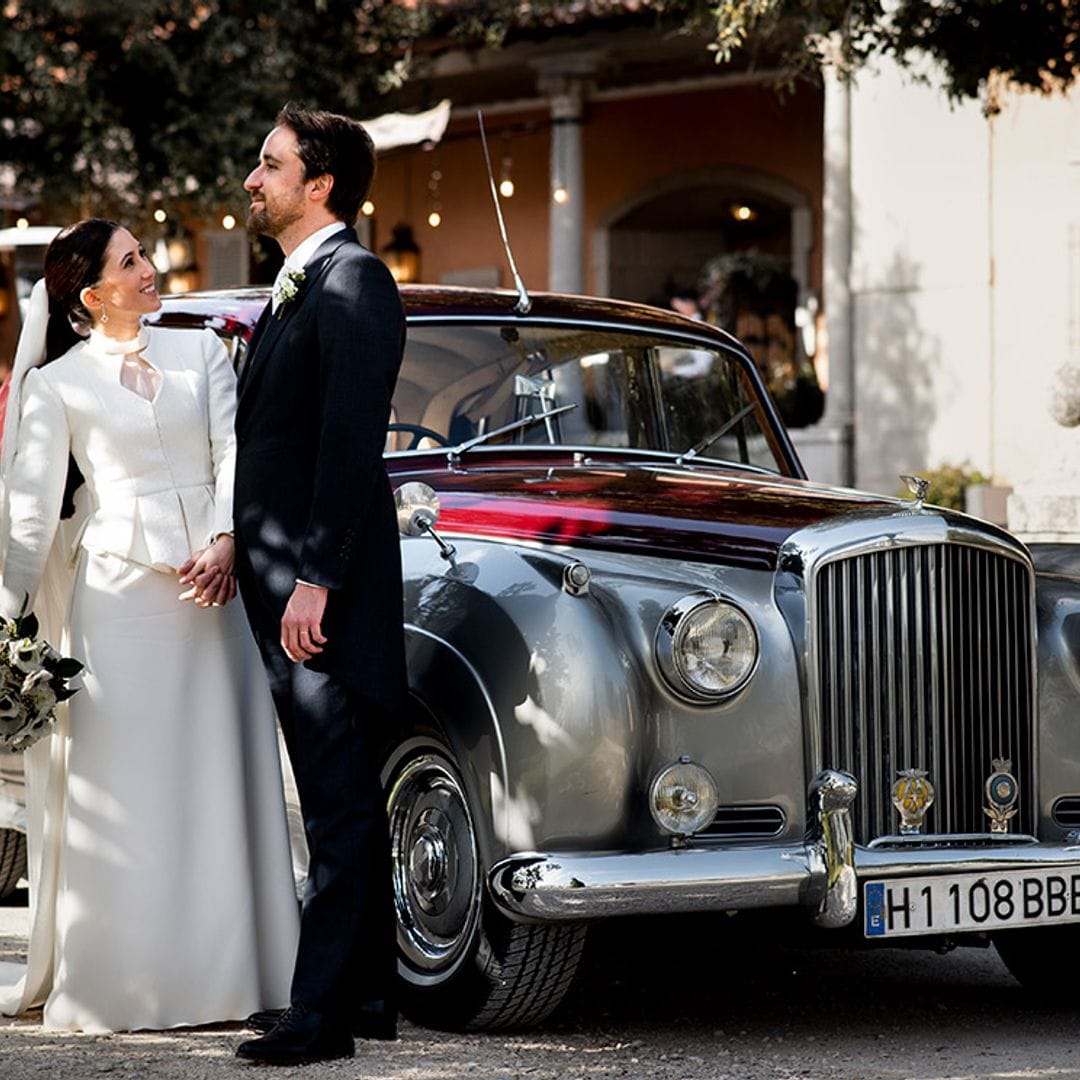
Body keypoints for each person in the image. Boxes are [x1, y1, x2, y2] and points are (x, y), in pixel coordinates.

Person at [0, 219, 299, 1032]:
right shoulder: (56, 386)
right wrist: (7, 622)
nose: (149, 268)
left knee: (218, 773)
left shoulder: (201, 350)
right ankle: (128, 980)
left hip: (215, 597)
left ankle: (242, 972)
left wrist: (228, 540)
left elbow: (233, 448)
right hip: (116, 605)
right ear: (92, 295)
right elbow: (28, 520)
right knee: (127, 784)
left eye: (143, 254)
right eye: (129, 262)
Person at [231, 105, 407, 1066]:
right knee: (341, 791)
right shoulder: (299, 285)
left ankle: (321, 1016)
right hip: (284, 578)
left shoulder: (357, 281)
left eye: (270, 164)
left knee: (336, 797)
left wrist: (316, 580)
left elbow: (349, 445)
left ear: (320, 183)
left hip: (319, 590)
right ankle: (368, 994)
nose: (253, 179)